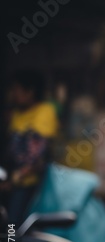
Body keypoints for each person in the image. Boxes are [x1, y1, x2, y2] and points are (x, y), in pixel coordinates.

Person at [4, 69, 59, 227]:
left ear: (30, 92)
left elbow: (38, 158)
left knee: (14, 227)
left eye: (17, 90)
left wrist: (13, 180)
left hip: (31, 185)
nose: (13, 94)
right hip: (13, 182)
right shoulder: (16, 114)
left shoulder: (45, 112)